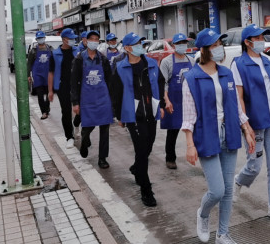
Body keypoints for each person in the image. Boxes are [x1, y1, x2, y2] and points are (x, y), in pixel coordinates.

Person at [182, 28, 255, 244]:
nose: (219, 48)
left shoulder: (226, 73)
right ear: (204, 50)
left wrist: (247, 129)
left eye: (220, 44)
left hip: (229, 133)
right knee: (217, 190)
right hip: (207, 136)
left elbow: (235, 106)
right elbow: (189, 116)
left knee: (228, 190)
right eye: (214, 45)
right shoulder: (192, 78)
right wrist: (190, 144)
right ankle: (203, 214)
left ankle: (222, 234)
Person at [231, 24, 270, 224]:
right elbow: (238, 97)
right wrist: (245, 124)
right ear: (247, 42)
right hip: (253, 124)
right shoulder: (239, 64)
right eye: (257, 38)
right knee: (254, 167)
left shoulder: (267, 62)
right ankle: (238, 181)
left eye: (262, 38)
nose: (261, 41)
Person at [113, 32, 165, 207]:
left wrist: (162, 104)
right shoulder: (120, 67)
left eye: (141, 43)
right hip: (133, 115)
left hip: (151, 111)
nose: (140, 46)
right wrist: (119, 116)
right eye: (136, 44)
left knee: (148, 146)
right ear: (128, 48)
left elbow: (160, 83)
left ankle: (136, 168)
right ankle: (146, 190)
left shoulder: (151, 63)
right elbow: (116, 93)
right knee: (141, 151)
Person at [70, 30, 114, 169]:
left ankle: (102, 158)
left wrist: (112, 100)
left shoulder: (103, 59)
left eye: (96, 39)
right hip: (87, 99)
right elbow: (74, 82)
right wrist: (75, 102)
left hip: (103, 98)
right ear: (86, 41)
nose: (94, 41)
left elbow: (110, 80)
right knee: (88, 127)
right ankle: (84, 141)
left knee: (105, 129)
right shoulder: (79, 59)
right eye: (92, 39)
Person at [159, 33, 193, 169]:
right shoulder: (166, 62)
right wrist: (166, 100)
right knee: (173, 131)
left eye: (183, 43)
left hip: (188, 101)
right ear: (173, 46)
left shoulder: (192, 61)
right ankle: (170, 158)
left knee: (194, 129)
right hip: (174, 100)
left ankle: (200, 155)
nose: (181, 46)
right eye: (179, 43)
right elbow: (163, 83)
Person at [48, 28, 79, 149]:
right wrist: (50, 91)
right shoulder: (55, 54)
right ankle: (69, 137)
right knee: (66, 112)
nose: (73, 41)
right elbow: (51, 73)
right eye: (71, 39)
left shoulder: (77, 51)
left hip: (78, 85)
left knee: (81, 109)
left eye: (73, 38)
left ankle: (76, 123)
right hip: (63, 86)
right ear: (64, 39)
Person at [28, 31, 53, 120]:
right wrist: (28, 75)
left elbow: (54, 61)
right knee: (40, 94)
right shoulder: (33, 51)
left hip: (48, 75)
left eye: (41, 38)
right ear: (36, 39)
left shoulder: (50, 49)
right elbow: (29, 63)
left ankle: (47, 107)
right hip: (37, 75)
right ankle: (44, 112)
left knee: (48, 93)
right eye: (39, 38)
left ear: (44, 38)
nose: (40, 40)